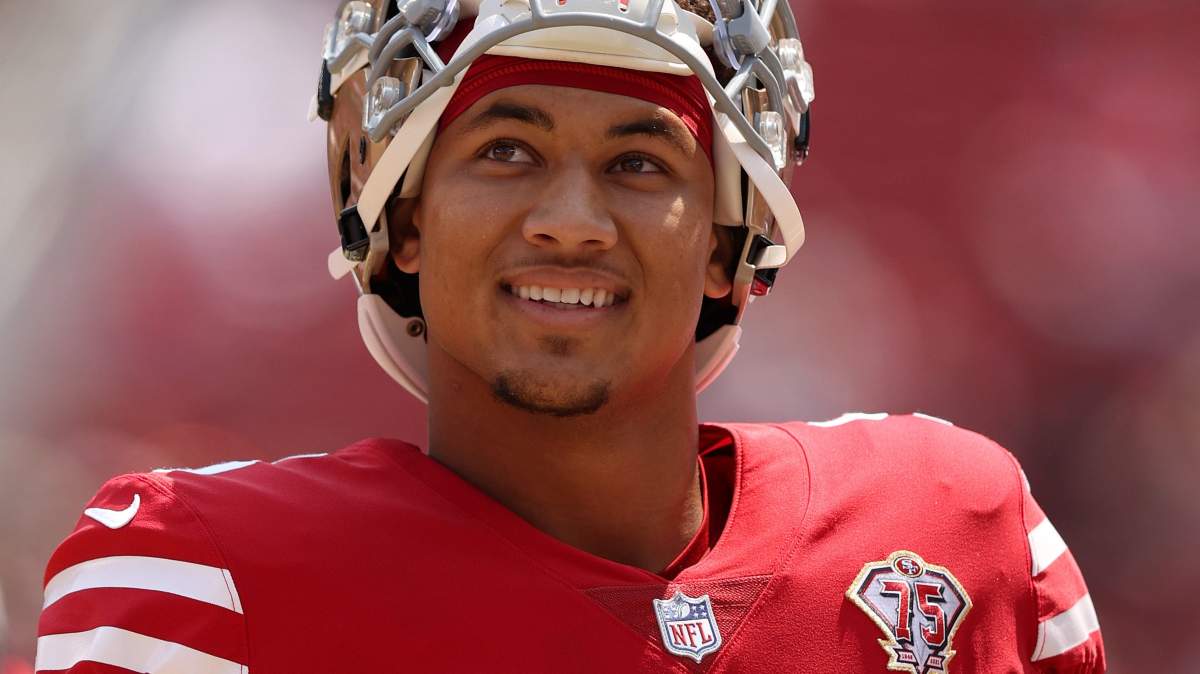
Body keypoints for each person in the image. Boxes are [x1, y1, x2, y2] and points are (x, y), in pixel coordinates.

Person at [34, 0, 1105, 671]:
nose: (572, 221)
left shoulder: (961, 533)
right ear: (405, 221)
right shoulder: (210, 583)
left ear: (729, 240)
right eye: (507, 150)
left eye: (641, 162)